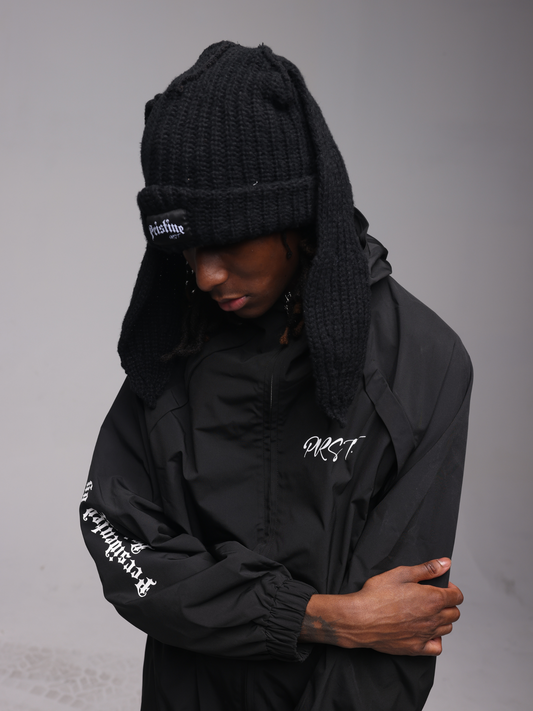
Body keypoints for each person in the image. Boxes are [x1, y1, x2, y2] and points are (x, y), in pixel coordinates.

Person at [80, 41, 472, 711]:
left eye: (227, 239)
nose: (206, 274)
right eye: (186, 247)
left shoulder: (421, 361)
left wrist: (333, 620)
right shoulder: (168, 351)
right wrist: (317, 616)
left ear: (296, 215)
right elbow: (125, 546)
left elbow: (400, 623)